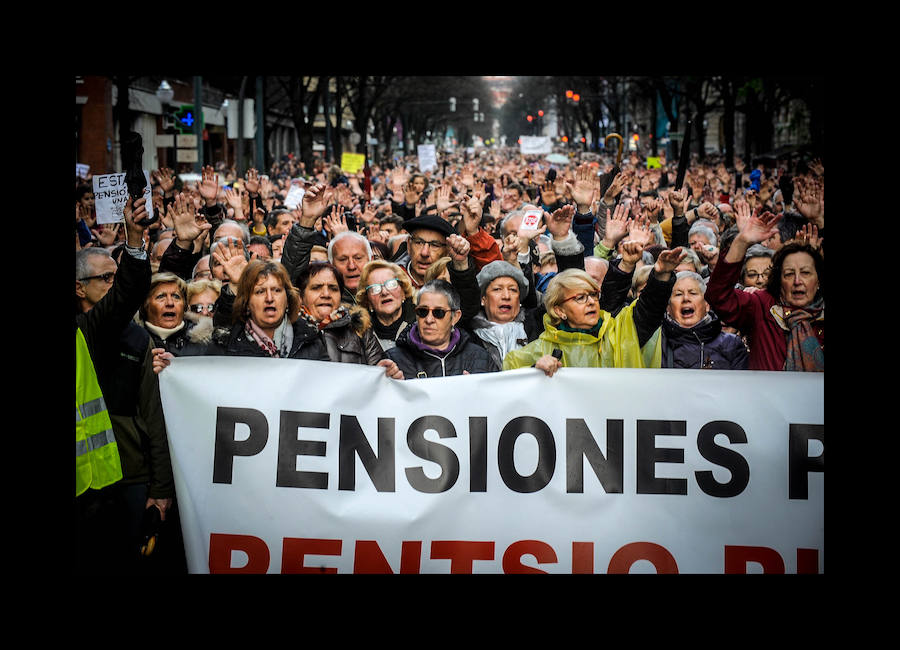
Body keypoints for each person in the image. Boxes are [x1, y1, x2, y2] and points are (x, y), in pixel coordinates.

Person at [75, 196, 180, 573]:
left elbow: (154, 419)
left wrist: (161, 488)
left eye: (114, 276)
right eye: (105, 278)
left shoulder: (138, 339)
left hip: (130, 477)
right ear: (78, 288)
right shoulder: (83, 332)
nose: (113, 284)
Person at [502, 241, 685, 375]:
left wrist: (661, 275)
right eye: (580, 297)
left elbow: (650, 310)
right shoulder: (540, 349)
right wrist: (535, 372)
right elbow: (510, 385)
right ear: (559, 310)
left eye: (593, 295)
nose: (591, 302)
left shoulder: (619, 332)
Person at [705, 204, 824, 371]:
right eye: (789, 274)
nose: (798, 281)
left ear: (818, 280)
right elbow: (718, 296)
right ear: (779, 280)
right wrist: (742, 241)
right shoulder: (761, 306)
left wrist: (820, 222)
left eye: (805, 273)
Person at [294, 261, 403, 377]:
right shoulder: (291, 329)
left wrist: (387, 374)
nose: (326, 294)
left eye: (333, 288)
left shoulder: (359, 328)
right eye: (316, 288)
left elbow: (379, 372)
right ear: (301, 296)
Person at [387, 280, 497, 378]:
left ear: (455, 317)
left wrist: (477, 394)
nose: (429, 319)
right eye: (423, 311)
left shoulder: (480, 358)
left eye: (438, 313)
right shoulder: (393, 362)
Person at [660, 271, 748, 370]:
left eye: (693, 293)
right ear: (668, 307)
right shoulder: (658, 344)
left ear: (706, 305)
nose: (686, 298)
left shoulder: (731, 344)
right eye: (678, 294)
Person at [355, 260, 416, 351]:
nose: (384, 292)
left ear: (403, 291)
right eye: (375, 288)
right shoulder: (359, 334)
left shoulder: (420, 324)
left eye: (391, 284)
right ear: (368, 300)